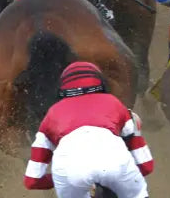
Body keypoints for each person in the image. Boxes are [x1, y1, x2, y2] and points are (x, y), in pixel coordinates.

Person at [24, 61, 153, 196]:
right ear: (101, 83)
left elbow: (31, 181)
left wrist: (57, 179)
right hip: (115, 164)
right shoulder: (114, 102)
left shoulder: (52, 114)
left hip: (69, 172)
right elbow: (146, 166)